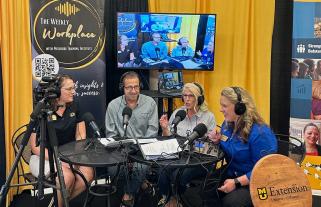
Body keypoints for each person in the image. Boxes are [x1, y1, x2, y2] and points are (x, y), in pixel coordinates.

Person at [29, 74, 94, 207]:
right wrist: (58, 160)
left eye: (73, 88)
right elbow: (35, 147)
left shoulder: (75, 105)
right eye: (69, 89)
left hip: (70, 155)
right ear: (57, 91)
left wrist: (75, 158)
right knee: (67, 178)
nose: (74, 92)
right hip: (44, 157)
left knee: (87, 175)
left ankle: (58, 204)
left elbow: (80, 136)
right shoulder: (42, 109)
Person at [206, 86, 277, 207]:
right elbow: (230, 145)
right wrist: (218, 141)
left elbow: (264, 170)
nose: (220, 109)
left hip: (256, 182)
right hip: (232, 173)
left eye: (224, 106)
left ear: (239, 107)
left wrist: (236, 182)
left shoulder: (260, 133)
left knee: (231, 203)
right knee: (206, 188)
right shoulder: (227, 125)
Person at [105, 71, 159, 206]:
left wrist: (139, 147)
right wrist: (123, 147)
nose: (133, 91)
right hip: (121, 148)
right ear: (122, 88)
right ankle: (142, 184)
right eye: (129, 87)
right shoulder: (113, 105)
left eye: (136, 87)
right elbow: (110, 134)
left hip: (143, 147)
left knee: (140, 168)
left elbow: (152, 130)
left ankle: (128, 195)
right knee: (113, 170)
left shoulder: (150, 103)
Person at [159, 82, 216, 207]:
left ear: (199, 99)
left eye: (191, 96)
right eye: (184, 95)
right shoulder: (179, 113)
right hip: (179, 155)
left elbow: (212, 145)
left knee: (177, 175)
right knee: (162, 168)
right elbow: (168, 138)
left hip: (199, 159)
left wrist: (197, 144)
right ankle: (168, 198)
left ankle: (176, 199)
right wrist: (165, 129)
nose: (187, 99)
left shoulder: (208, 117)